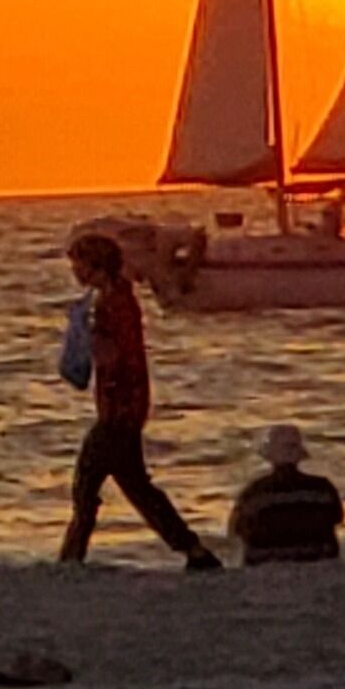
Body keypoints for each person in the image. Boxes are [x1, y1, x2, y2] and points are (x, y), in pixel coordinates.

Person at [57, 232, 219, 568]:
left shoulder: (112, 304)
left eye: (79, 264)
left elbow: (114, 356)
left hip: (118, 413)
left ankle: (71, 560)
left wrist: (89, 338)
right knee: (137, 489)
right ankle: (194, 551)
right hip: (125, 411)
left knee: (88, 487)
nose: (75, 271)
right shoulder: (118, 299)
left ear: (94, 265)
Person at [228, 424, 344, 563]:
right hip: (319, 559)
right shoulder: (323, 489)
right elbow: (337, 518)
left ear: (270, 458)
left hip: (266, 564)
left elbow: (235, 530)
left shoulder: (254, 492)